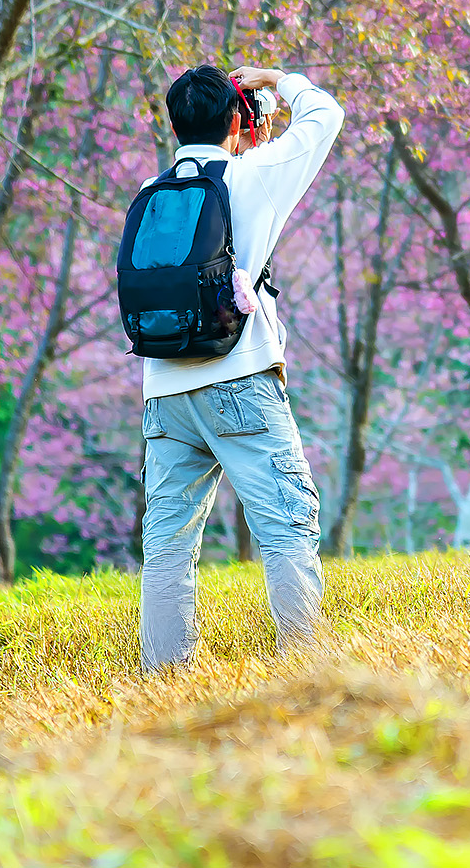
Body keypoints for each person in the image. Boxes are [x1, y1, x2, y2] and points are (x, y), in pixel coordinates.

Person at [135, 64, 343, 669]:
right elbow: (325, 115)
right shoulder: (253, 176)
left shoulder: (152, 193)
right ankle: (308, 665)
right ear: (236, 118)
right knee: (286, 522)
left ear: (174, 125)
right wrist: (277, 78)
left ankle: (165, 677)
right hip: (239, 378)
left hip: (163, 387)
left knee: (167, 542)